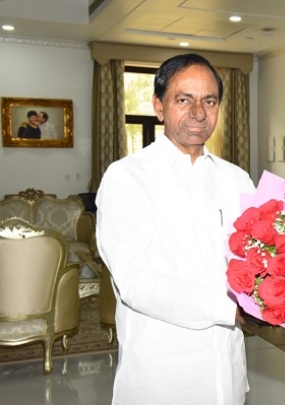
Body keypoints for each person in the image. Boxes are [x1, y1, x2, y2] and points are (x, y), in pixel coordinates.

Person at [96, 53, 255, 404]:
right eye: (184, 100)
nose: (198, 112)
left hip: (227, 373)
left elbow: (254, 260)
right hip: (163, 376)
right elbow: (136, 282)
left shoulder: (237, 179)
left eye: (209, 101)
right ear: (159, 106)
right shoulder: (126, 178)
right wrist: (230, 309)